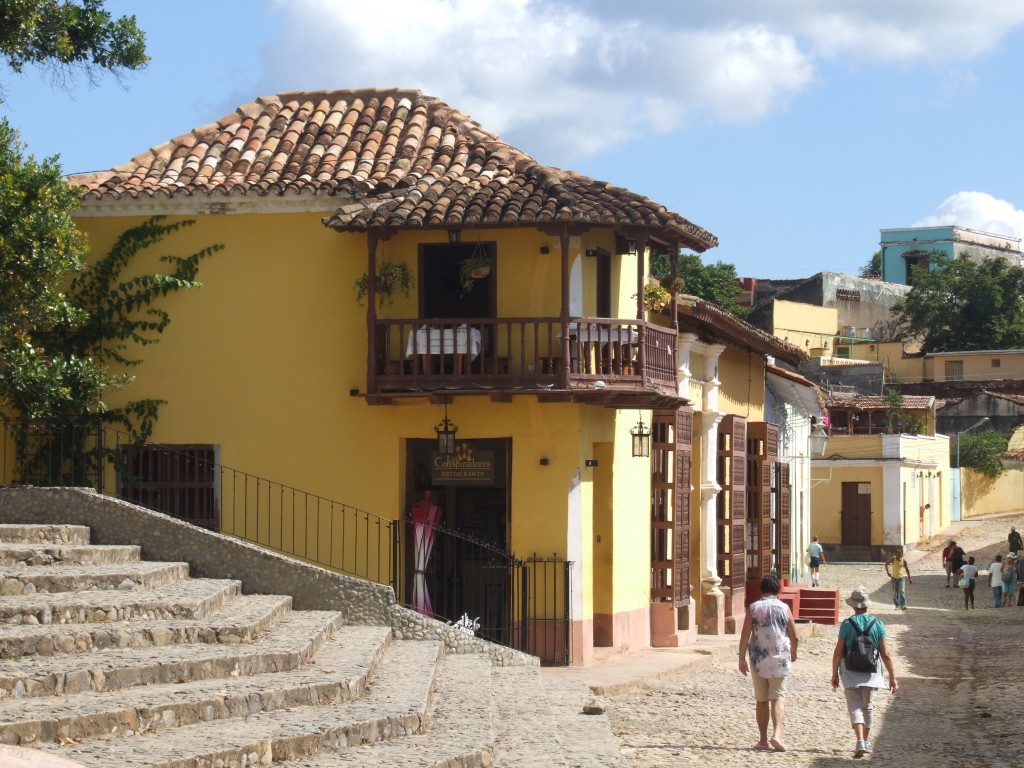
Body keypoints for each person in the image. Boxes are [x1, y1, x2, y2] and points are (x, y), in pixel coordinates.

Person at [831, 586, 898, 758]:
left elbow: (838, 652)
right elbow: (886, 653)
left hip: (849, 670)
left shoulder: (847, 624)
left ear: (853, 606)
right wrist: (892, 677)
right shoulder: (878, 624)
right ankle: (865, 741)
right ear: (867, 605)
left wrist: (834, 674)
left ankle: (860, 740)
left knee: (854, 705)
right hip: (871, 670)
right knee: (867, 706)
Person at [738, 575, 799, 753]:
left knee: (761, 700)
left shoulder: (753, 608)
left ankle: (763, 740)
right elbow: (795, 636)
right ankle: (777, 734)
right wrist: (793, 651)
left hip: (758, 659)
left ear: (761, 590)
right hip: (780, 658)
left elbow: (745, 635)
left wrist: (741, 658)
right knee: (778, 697)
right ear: (777, 590)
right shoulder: (784, 608)